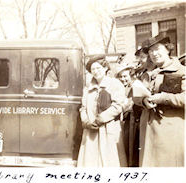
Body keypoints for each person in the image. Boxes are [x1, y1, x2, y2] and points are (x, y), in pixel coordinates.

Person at [133, 32, 185, 167]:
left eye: (157, 49)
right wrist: (143, 101)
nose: (153, 54)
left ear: (168, 49)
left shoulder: (181, 71)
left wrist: (163, 98)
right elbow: (137, 96)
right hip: (148, 132)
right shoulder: (148, 73)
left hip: (169, 130)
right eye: (150, 51)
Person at [77, 56, 127, 167]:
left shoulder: (114, 84)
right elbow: (83, 108)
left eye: (98, 68)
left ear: (105, 68)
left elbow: (118, 106)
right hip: (91, 130)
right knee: (91, 161)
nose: (96, 71)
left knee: (110, 160)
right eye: (93, 69)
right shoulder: (87, 88)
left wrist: (100, 119)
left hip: (108, 128)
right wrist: (85, 121)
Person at [115, 64, 142, 167]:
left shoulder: (135, 86)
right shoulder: (123, 87)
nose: (123, 79)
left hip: (133, 120)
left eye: (125, 76)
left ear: (131, 75)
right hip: (126, 120)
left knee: (132, 147)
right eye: (121, 77)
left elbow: (131, 104)